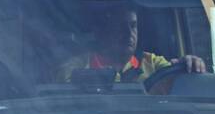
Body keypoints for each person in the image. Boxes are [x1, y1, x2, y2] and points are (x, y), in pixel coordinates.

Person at [58, 6, 206, 85]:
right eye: (120, 27)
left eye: (133, 26)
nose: (129, 33)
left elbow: (177, 84)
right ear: (101, 32)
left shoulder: (153, 63)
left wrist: (189, 65)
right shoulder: (75, 68)